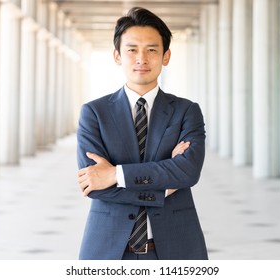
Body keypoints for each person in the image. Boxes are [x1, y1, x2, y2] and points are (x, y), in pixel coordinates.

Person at [77, 7, 208, 260]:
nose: (142, 59)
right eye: (132, 49)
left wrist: (116, 174)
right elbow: (93, 185)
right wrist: (165, 185)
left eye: (151, 50)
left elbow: (188, 172)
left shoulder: (186, 111)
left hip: (176, 247)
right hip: (108, 248)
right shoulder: (94, 113)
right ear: (117, 56)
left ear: (165, 56)